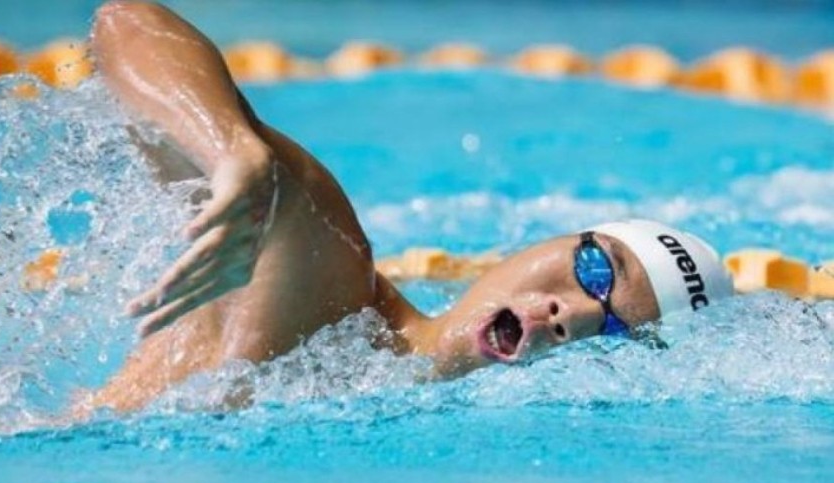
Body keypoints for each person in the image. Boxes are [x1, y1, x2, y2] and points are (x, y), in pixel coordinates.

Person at [86, 1, 734, 413]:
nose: (578, 314)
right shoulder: (330, 280)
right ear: (552, 241)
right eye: (599, 273)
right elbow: (128, 22)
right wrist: (231, 150)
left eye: (621, 331)